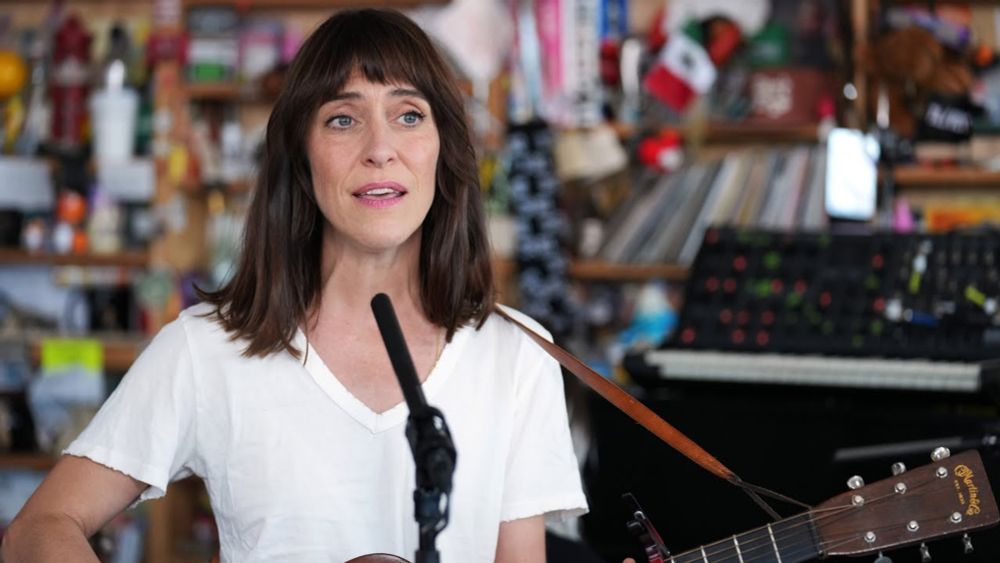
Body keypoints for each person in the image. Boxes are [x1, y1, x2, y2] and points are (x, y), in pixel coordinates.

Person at [1, 9, 587, 562]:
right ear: (302, 159)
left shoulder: (517, 355)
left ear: (444, 149)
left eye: (409, 115)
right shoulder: (209, 348)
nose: (380, 149)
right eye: (343, 119)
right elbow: (39, 529)